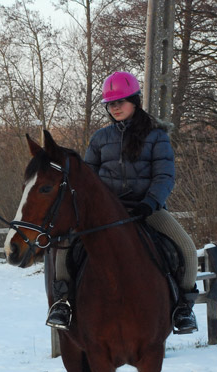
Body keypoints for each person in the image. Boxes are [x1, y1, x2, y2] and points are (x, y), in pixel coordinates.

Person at [46, 71, 199, 334]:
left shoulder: (157, 136)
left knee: (186, 247)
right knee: (64, 246)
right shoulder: (99, 139)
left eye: (121, 102)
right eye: (111, 104)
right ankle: (63, 302)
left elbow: (164, 176)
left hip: (146, 210)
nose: (115, 107)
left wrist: (150, 203)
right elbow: (88, 180)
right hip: (106, 213)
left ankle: (184, 307)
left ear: (135, 101)